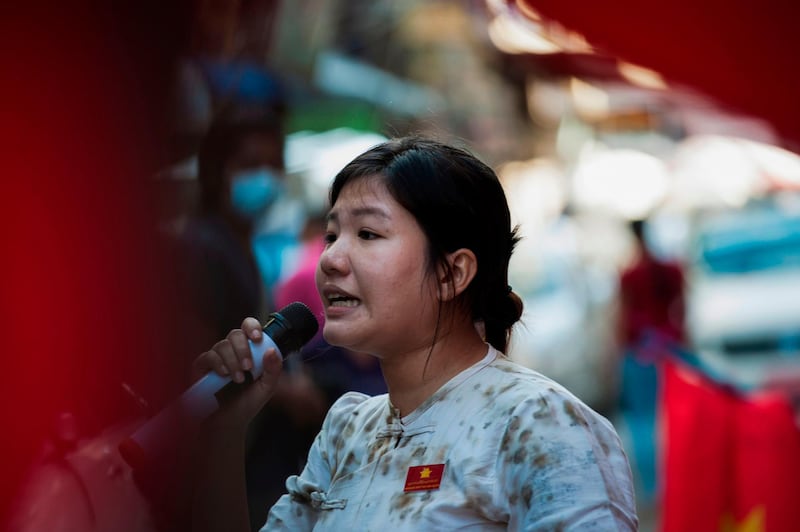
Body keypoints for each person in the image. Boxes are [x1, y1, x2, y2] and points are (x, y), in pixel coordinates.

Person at [190, 136, 638, 531]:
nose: (330, 259)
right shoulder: (348, 430)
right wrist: (225, 434)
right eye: (331, 235)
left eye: (367, 233)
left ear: (452, 273)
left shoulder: (538, 423)